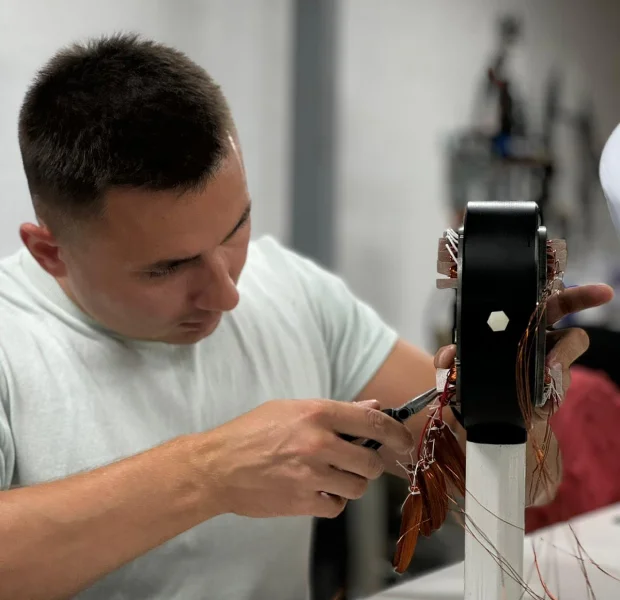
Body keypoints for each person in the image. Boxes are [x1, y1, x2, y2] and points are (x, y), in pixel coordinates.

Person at [0, 34, 611, 600]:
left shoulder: (294, 292)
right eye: (168, 268)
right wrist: (208, 474)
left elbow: (520, 488)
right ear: (51, 252)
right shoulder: (13, 340)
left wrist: (512, 408)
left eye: (235, 229)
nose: (227, 294)